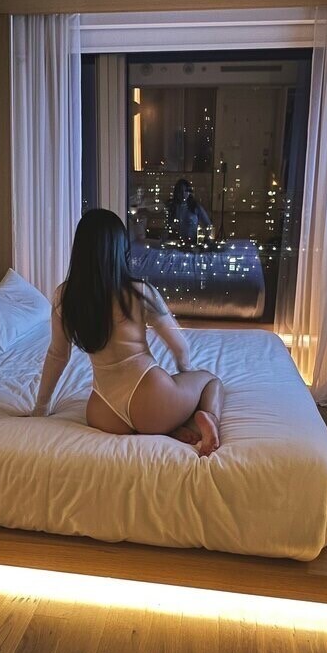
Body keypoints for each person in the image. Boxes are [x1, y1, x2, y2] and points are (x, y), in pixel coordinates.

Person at [32, 209, 223, 456]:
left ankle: (167, 425)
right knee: (210, 380)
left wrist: (41, 407)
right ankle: (205, 420)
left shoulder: (64, 296)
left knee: (154, 408)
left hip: (103, 410)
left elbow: (57, 355)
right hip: (150, 395)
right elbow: (179, 347)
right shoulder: (138, 292)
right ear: (120, 249)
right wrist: (184, 373)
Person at [166, 178, 213, 245]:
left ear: (189, 192)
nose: (183, 194)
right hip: (177, 244)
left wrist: (207, 241)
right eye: (180, 191)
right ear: (176, 192)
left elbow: (208, 225)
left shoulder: (195, 207)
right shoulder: (173, 208)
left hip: (194, 244)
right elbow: (168, 227)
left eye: (185, 191)